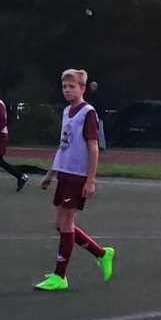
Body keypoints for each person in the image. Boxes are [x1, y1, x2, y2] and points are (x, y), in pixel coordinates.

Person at [35, 69, 116, 290]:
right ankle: (101, 253)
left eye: (72, 86)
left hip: (78, 175)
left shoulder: (88, 113)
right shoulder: (66, 112)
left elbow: (93, 148)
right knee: (59, 224)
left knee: (66, 221)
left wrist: (90, 180)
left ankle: (60, 276)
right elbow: (63, 146)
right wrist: (50, 174)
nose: (67, 90)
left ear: (82, 88)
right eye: (64, 87)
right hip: (64, 173)